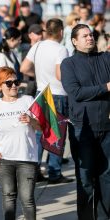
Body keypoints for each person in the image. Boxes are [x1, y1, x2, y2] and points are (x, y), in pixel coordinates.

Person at [61, 23, 110, 220]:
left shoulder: (106, 58)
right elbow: (76, 93)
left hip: (107, 129)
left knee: (107, 179)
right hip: (83, 130)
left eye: (91, 35)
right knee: (86, 181)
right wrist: (106, 87)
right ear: (74, 41)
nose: (89, 38)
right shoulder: (68, 64)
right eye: (84, 36)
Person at [0, 66, 40, 220]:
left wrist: (31, 120)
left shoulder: (28, 100)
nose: (14, 85)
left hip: (27, 158)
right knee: (8, 197)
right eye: (9, 83)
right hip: (4, 160)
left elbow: (42, 126)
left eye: (16, 82)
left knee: (27, 200)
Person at [21, 18, 73, 184]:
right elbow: (59, 75)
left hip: (41, 91)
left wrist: (39, 76)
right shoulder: (61, 49)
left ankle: (34, 170)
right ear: (61, 32)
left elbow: (24, 68)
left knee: (38, 133)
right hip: (58, 93)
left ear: (45, 30)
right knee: (56, 134)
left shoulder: (37, 46)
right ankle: (54, 172)